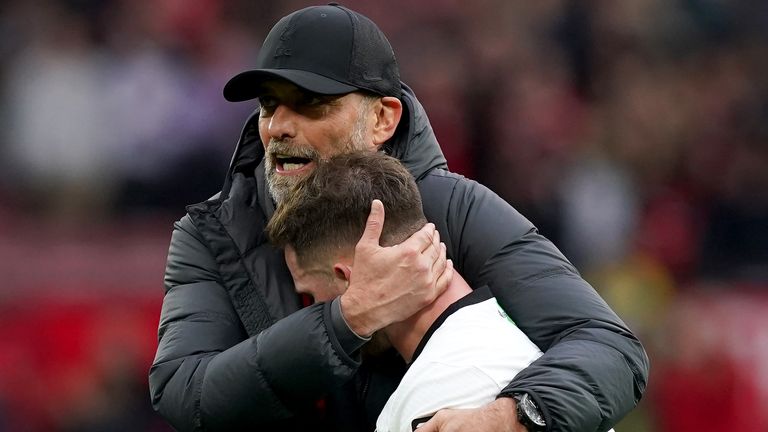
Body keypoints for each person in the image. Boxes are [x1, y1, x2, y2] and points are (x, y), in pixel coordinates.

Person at [149, 4, 649, 432]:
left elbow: (610, 348)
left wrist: (512, 416)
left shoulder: (450, 208)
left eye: (312, 106)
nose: (278, 127)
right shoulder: (214, 233)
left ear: (383, 119)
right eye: (269, 106)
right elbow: (183, 394)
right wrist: (347, 320)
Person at [267, 151, 547, 432]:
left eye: (315, 299)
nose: (323, 314)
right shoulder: (506, 344)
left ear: (346, 276)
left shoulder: (439, 400)